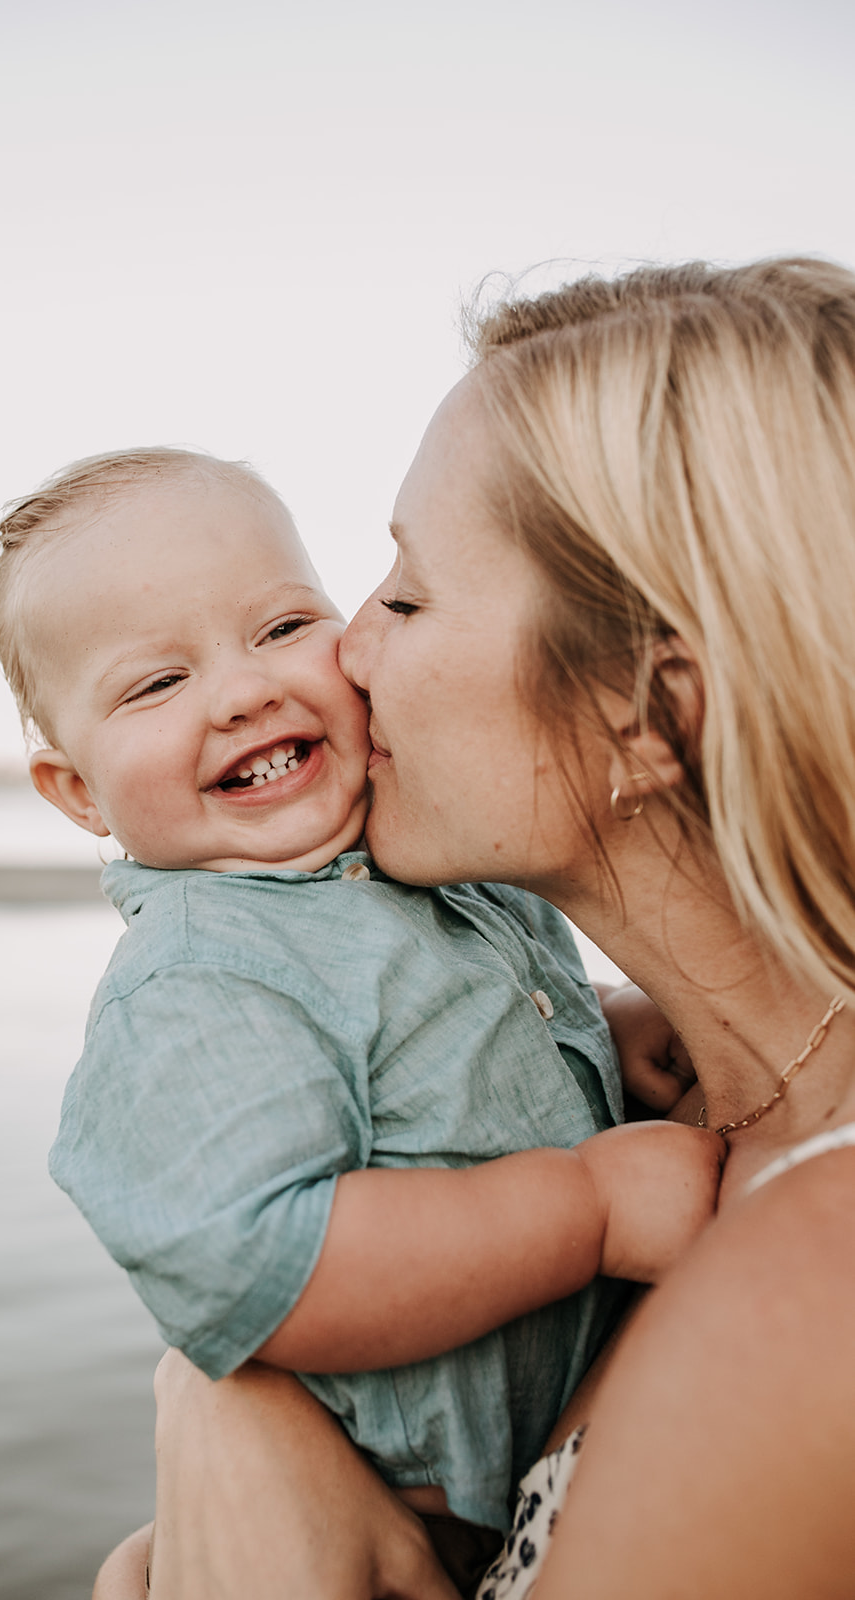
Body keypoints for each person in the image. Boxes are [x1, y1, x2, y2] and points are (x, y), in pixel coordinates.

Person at [103, 256, 855, 1600]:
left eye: (402, 595)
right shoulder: (684, 1129)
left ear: (645, 711)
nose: (336, 655)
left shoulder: (814, 1286)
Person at [0, 448, 720, 1593]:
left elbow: (455, 1071)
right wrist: (586, 1208)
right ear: (77, 791)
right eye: (155, 684)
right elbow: (257, 1262)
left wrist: (596, 1032)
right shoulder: (203, 978)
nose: (240, 691)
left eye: (281, 627)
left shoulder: (427, 862)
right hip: (397, 1522)